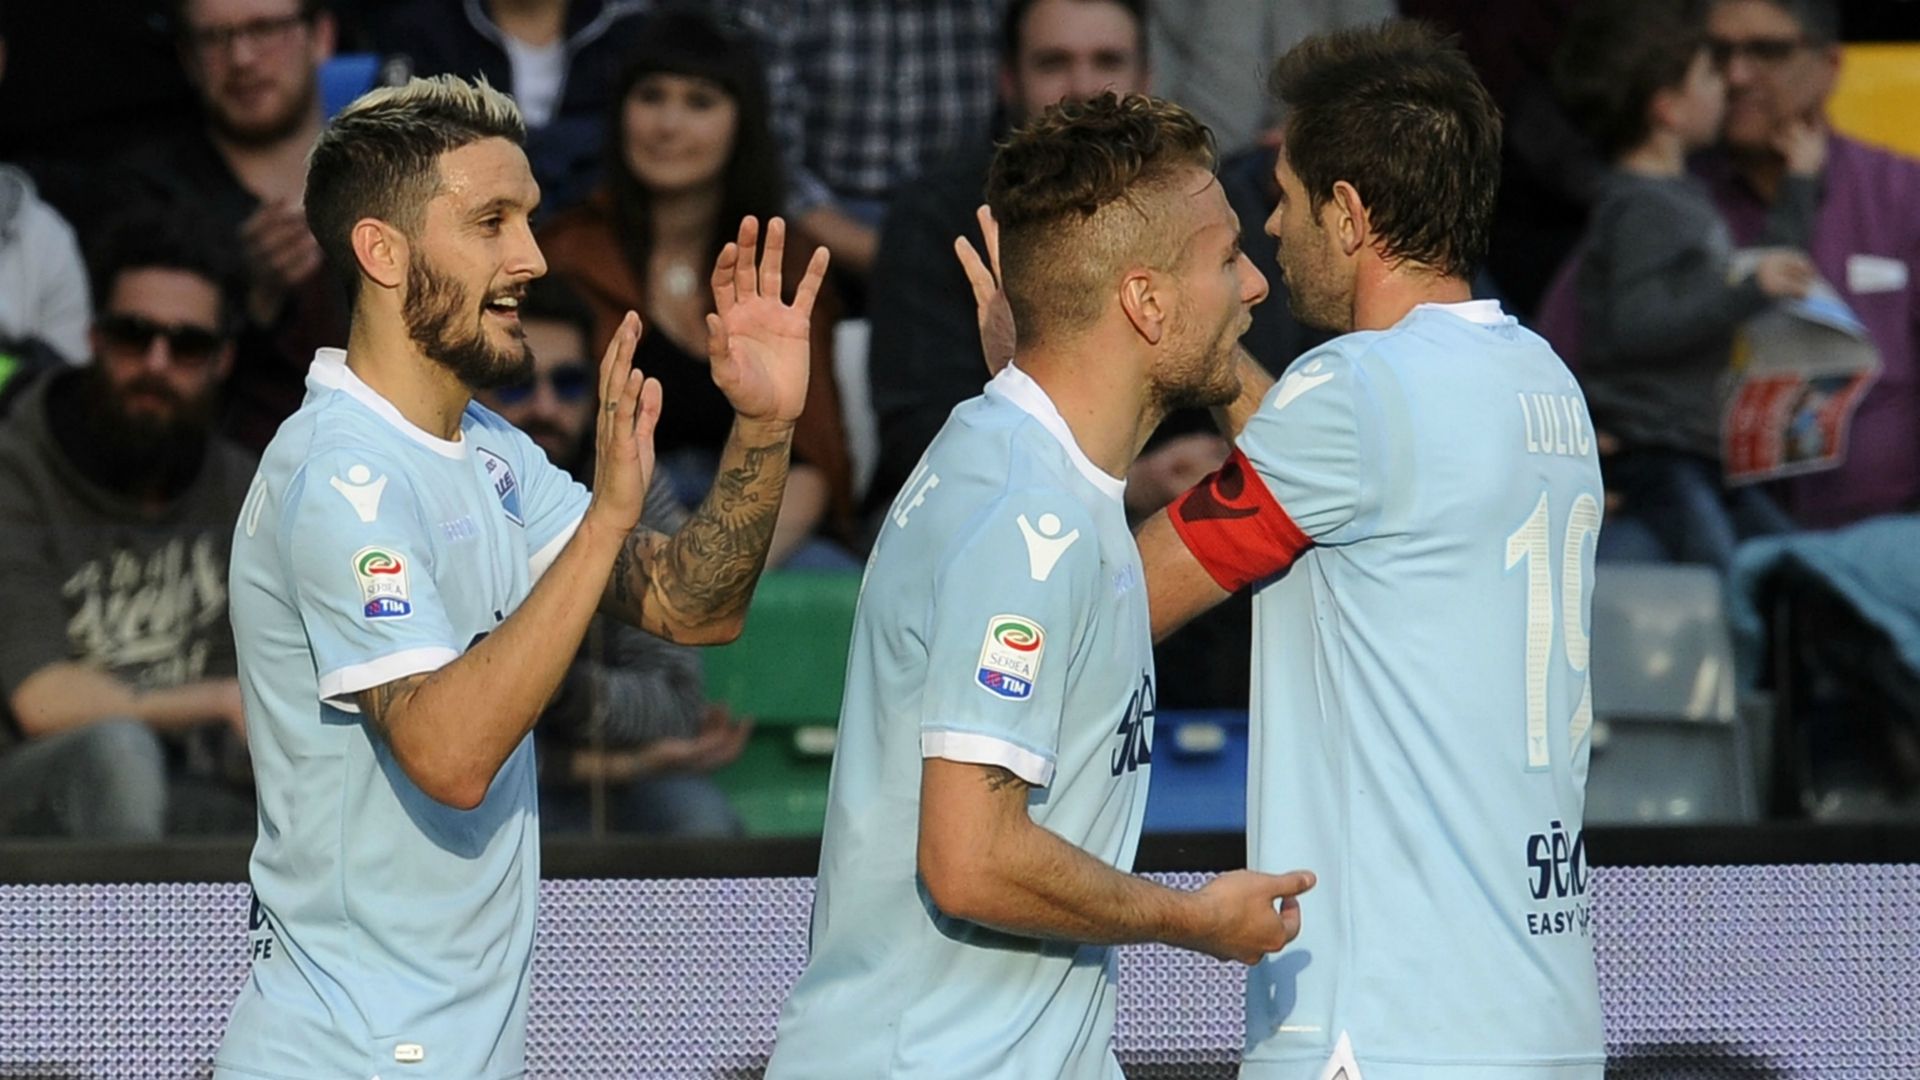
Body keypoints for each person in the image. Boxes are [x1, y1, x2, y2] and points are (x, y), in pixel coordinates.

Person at [965, 22, 1607, 1079]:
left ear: (1349, 214)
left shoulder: (1353, 392)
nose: (1269, 227)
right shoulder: (1540, 378)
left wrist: (1043, 402)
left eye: (1288, 197)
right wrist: (1206, 359)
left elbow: (1112, 606)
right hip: (1540, 1018)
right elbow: (1335, 477)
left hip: (1383, 1026)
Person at [214, 75, 828, 1078]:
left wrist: (763, 424)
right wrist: (607, 522)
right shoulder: (340, 477)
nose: (534, 258)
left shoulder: (487, 448)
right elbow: (451, 758)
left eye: (531, 219)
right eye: (492, 221)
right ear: (382, 252)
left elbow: (695, 605)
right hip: (354, 1056)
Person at [767, 93, 1313, 1079]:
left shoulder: (1033, 474)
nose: (1254, 286)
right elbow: (971, 860)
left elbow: (1283, 500)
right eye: (1228, 257)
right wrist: (1194, 919)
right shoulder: (1031, 519)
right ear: (1145, 303)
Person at [540, 9, 855, 565]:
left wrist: (714, 568)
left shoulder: (785, 261)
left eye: (700, 102)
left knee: (832, 577)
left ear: (743, 123)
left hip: (757, 524)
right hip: (600, 512)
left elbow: (813, 460)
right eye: (651, 97)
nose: (668, 125)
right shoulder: (566, 250)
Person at [0, 207, 257, 839]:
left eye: (187, 345)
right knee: (119, 753)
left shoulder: (246, 489)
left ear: (223, 361)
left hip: (197, 791)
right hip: (32, 795)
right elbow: (40, 702)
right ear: (93, 338)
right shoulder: (15, 470)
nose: (156, 364)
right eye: (132, 336)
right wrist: (218, 701)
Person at [474, 273, 746, 836]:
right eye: (518, 386)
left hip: (611, 776)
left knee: (701, 824)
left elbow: (675, 703)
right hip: (480, 782)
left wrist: (556, 688)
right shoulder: (448, 481)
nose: (546, 406)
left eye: (569, 383)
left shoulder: (628, 480)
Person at [1556, 0, 1816, 571]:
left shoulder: (1680, 195)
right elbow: (1639, 325)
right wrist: (1747, 290)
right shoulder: (1639, 206)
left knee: (1795, 564)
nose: (1726, 86)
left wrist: (1798, 184)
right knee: (1722, 573)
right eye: (1708, 75)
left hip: (1703, 450)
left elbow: (1770, 266)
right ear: (1668, 109)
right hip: (1654, 451)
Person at [1698, 0, 1920, 527]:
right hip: (1710, 527)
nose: (1736, 75)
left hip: (1887, 538)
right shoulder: (1666, 200)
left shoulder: (1901, 193)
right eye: (1719, 52)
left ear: (1831, 65)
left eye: (1767, 50)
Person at [128, 0, 351, 452]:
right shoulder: (147, 200)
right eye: (214, 38)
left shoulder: (391, 175)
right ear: (187, 58)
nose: (242, 58)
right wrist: (247, 298)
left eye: (266, 28)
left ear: (322, 36)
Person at [722, 0, 1000, 277]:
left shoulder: (992, 10)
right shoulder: (784, 9)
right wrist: (891, 259)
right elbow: (766, 149)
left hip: (968, 227)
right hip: (820, 230)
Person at [370, 0, 654, 216]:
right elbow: (393, 142)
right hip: (465, 218)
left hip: (605, 226)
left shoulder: (632, 24)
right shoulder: (423, 26)